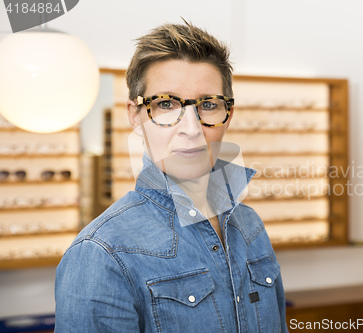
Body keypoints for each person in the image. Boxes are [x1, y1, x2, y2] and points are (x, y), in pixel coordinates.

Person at [54, 21, 289, 333]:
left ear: (227, 115)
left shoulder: (250, 226)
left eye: (208, 105)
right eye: (166, 104)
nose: (191, 129)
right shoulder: (101, 253)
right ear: (135, 115)